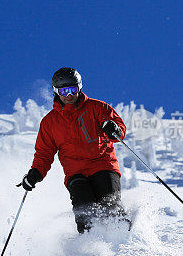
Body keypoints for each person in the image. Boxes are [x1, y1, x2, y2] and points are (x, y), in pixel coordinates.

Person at [18, 67, 129, 233]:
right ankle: (91, 247)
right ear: (56, 92)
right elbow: (44, 153)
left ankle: (123, 234)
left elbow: (119, 130)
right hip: (76, 173)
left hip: (103, 166)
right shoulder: (50, 122)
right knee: (84, 209)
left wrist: (114, 129)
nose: (69, 95)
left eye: (73, 90)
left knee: (109, 204)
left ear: (80, 88)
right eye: (64, 91)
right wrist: (36, 173)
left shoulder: (97, 108)